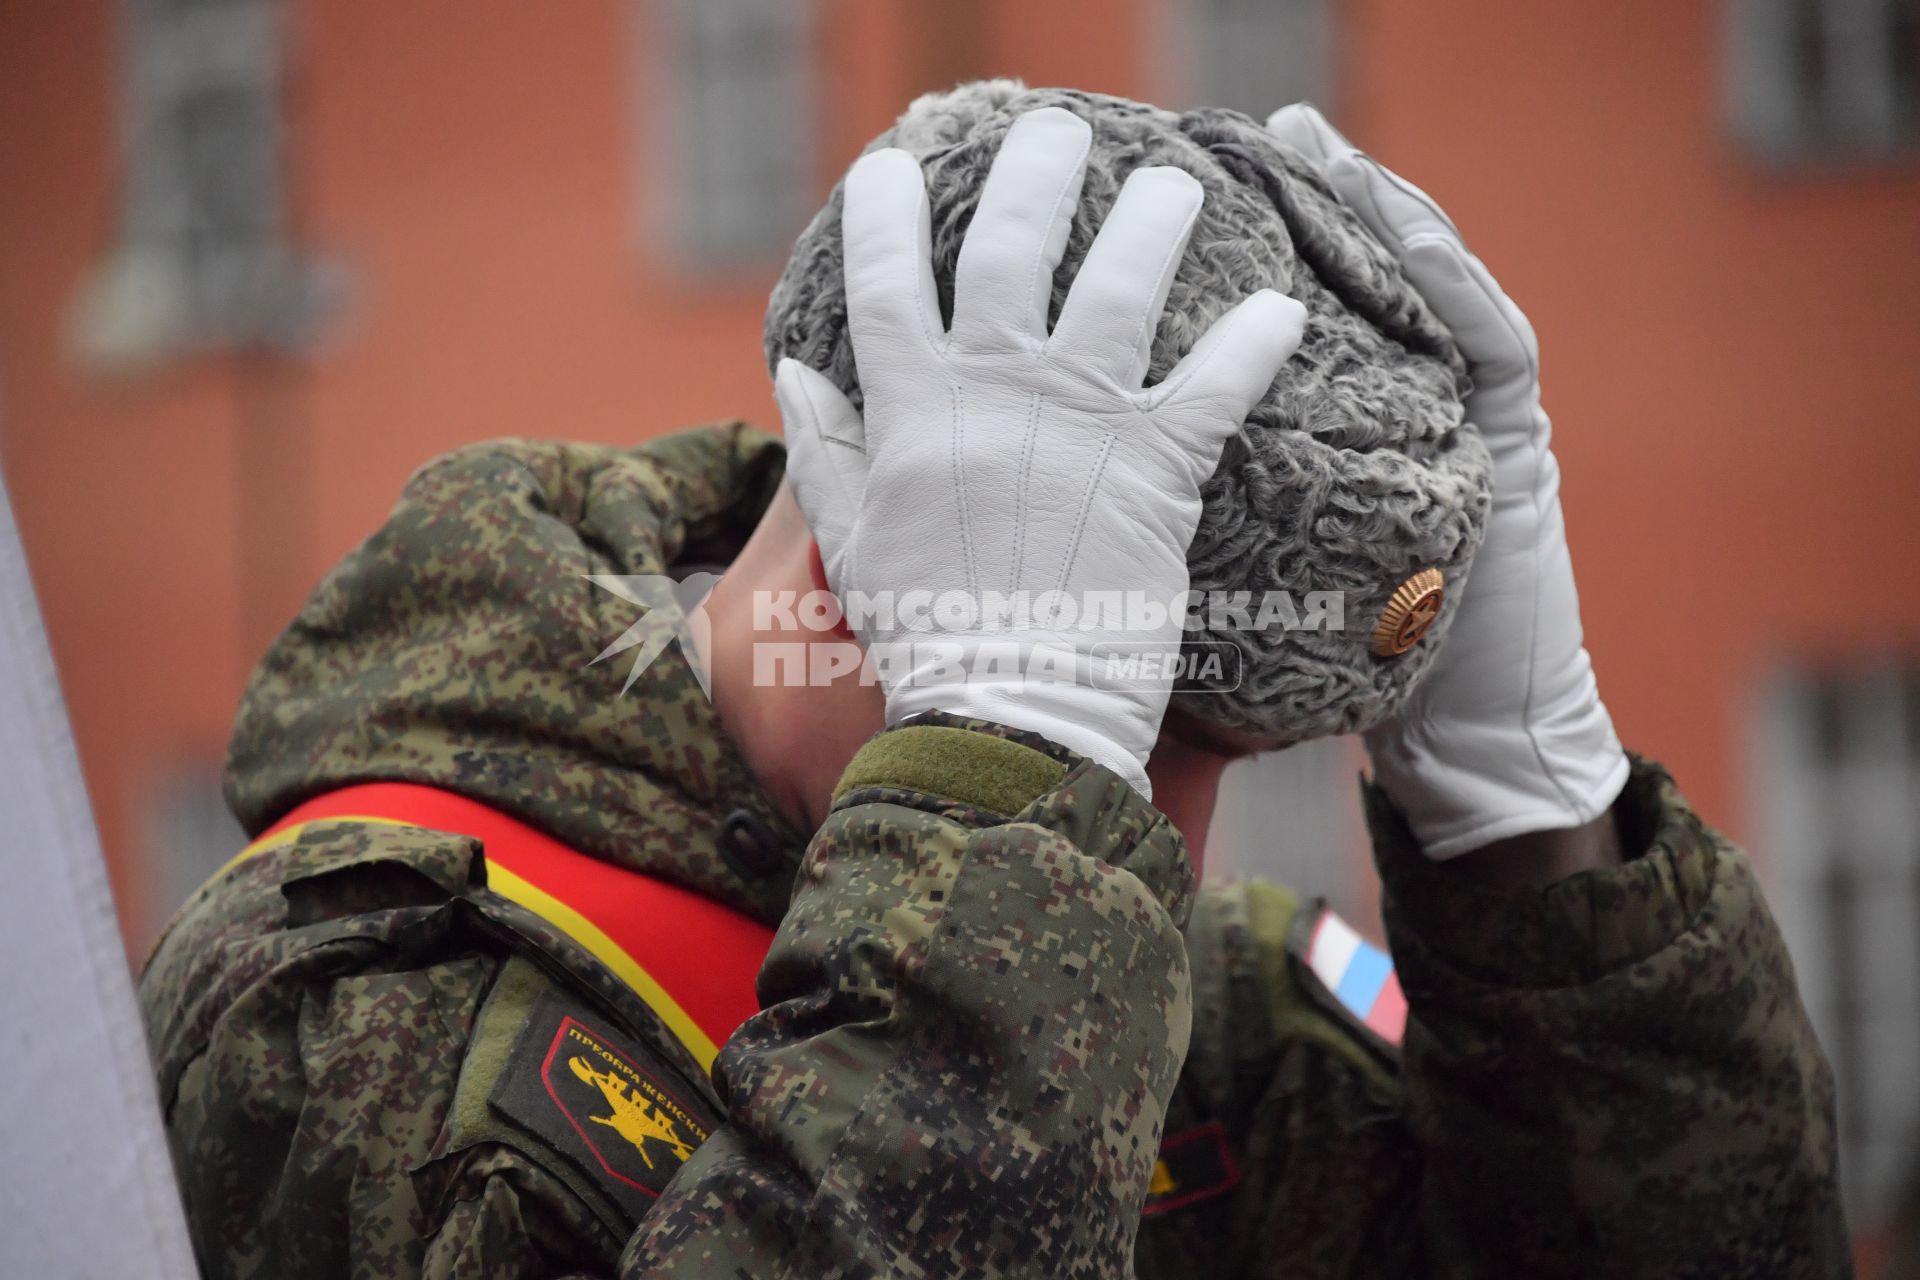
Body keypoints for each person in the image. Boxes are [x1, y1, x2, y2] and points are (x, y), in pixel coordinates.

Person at [138, 89, 1848, 1279]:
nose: (1154, 825)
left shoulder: (1204, 1025)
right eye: (1140, 721)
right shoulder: (345, 1011)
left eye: (1218, 746)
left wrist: (1538, 852)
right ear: (843, 567)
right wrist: (1004, 803)